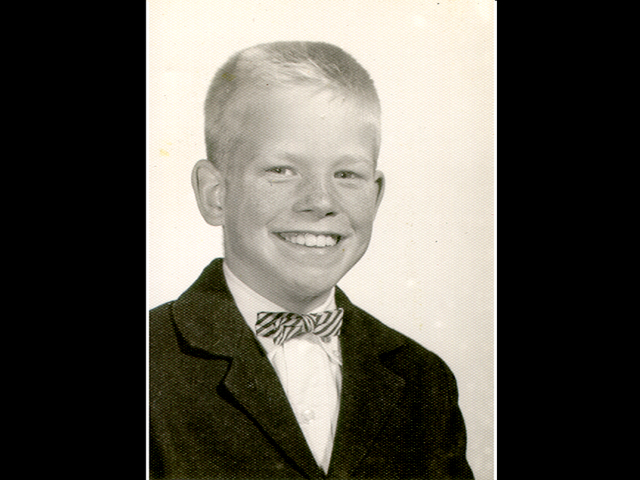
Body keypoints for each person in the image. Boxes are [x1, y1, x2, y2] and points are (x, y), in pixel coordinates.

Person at [149, 41, 474, 479]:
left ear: (375, 196)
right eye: (282, 170)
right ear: (215, 194)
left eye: (346, 174)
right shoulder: (154, 362)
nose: (321, 201)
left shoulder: (423, 380)